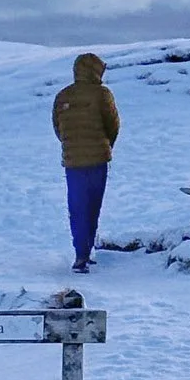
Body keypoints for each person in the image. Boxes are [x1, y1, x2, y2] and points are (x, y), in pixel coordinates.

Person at [51, 51, 119, 272]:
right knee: (93, 205)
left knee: (77, 207)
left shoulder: (63, 96)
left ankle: (80, 253)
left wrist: (71, 144)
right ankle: (86, 251)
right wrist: (106, 145)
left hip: (73, 161)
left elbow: (58, 127)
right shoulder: (102, 94)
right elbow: (113, 124)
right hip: (98, 159)